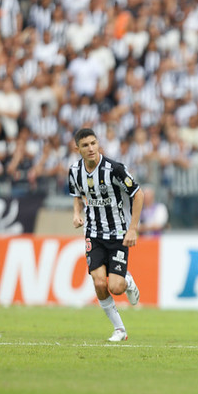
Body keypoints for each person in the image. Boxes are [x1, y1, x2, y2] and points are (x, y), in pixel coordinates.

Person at [69, 127, 143, 342]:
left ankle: (127, 281)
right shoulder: (74, 171)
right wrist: (76, 213)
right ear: (78, 149)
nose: (90, 148)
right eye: (85, 145)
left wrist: (133, 228)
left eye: (93, 143)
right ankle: (119, 330)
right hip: (93, 233)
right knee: (99, 284)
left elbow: (138, 194)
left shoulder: (114, 169)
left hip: (119, 234)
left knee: (116, 287)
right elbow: (77, 194)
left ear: (98, 143)